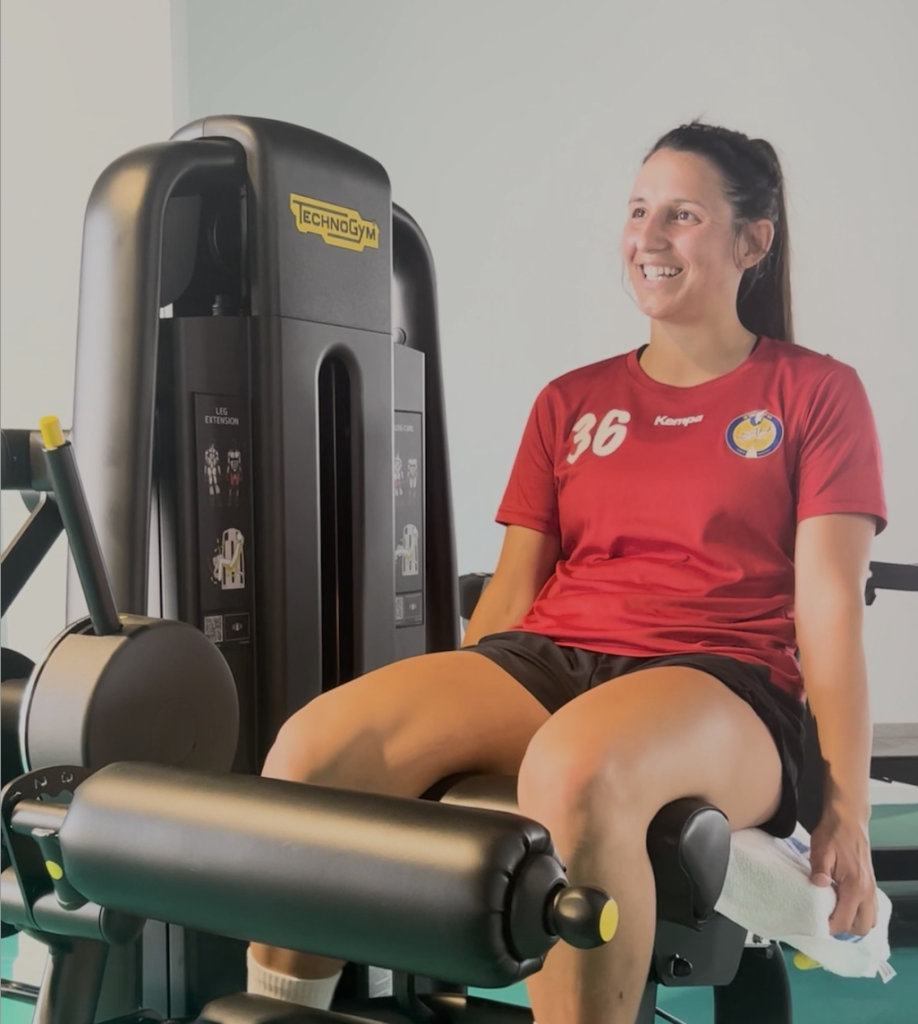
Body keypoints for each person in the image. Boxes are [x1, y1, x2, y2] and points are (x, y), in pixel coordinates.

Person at [246, 121, 887, 1024]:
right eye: (637, 212)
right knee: (314, 750)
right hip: (554, 656)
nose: (649, 237)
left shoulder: (816, 393)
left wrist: (846, 808)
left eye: (683, 215)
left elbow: (827, 609)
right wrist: (448, 729)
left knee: (578, 766)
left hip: (725, 683)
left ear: (752, 241)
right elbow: (510, 600)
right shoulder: (571, 401)